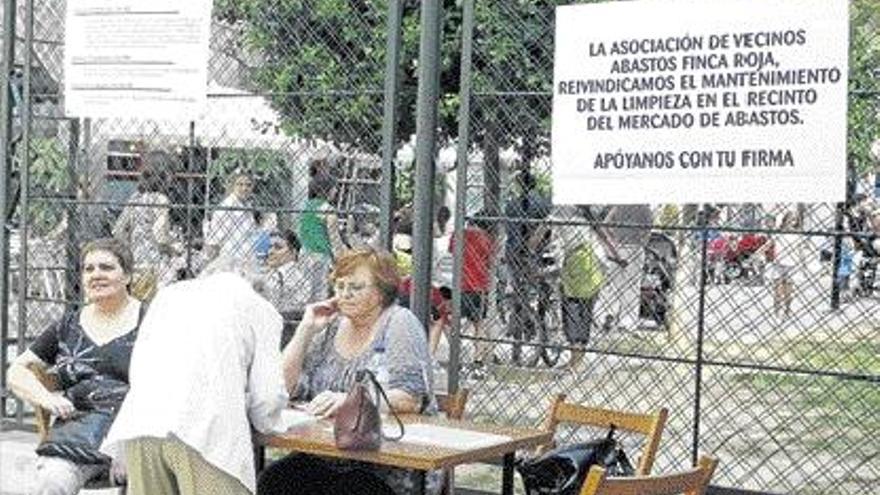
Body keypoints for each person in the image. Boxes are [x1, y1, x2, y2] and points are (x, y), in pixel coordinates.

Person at [100, 256, 289, 495]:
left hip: (142, 424)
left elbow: (139, 368)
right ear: (258, 288)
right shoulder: (259, 307)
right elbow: (268, 398)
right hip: (206, 436)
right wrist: (266, 421)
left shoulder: (168, 296)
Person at [260, 247, 437, 495]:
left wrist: (351, 402)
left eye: (356, 287)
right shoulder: (331, 327)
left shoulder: (399, 322)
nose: (345, 294)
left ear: (381, 291)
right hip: (327, 456)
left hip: (385, 465)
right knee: (275, 480)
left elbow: (411, 398)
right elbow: (283, 388)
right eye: (340, 286)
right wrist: (306, 329)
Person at [6, 238, 143, 494]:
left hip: (137, 433)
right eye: (88, 269)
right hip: (78, 434)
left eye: (106, 267)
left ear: (127, 276)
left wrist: (129, 439)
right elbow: (17, 371)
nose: (96, 275)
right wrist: (46, 398)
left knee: (146, 480)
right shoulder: (67, 325)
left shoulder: (151, 320)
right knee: (53, 481)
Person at [112, 151, 178, 301]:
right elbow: (160, 236)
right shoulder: (161, 200)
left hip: (136, 263)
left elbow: (118, 230)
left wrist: (130, 249)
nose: (173, 178)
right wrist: (173, 249)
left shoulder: (136, 197)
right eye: (171, 173)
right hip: (156, 267)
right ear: (164, 173)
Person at [503, 170, 551, 349]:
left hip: (513, 252)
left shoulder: (510, 205)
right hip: (535, 253)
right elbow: (547, 229)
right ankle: (539, 320)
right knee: (542, 287)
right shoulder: (543, 204)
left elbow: (509, 229)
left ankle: (518, 323)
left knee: (517, 289)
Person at [555, 205, 607, 346]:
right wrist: (617, 257)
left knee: (572, 315)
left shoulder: (559, 213)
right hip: (592, 266)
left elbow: (539, 239)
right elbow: (605, 238)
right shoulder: (588, 217)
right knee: (585, 316)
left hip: (576, 266)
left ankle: (574, 359)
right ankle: (577, 361)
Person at [450, 212, 495, 370]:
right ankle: (478, 361)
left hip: (461, 285)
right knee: (478, 325)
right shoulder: (487, 238)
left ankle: (456, 358)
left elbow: (453, 254)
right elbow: (490, 261)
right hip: (480, 286)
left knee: (454, 324)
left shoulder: (458, 234)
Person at [598, 203, 653, 330]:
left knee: (613, 284)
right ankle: (627, 320)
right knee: (632, 286)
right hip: (635, 247)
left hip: (619, 247)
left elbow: (605, 224)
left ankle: (608, 313)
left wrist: (613, 239)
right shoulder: (645, 208)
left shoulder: (619, 206)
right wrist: (643, 241)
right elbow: (649, 229)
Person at [298, 161, 343, 300]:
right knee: (320, 296)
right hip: (321, 256)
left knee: (305, 293)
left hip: (304, 253)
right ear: (327, 189)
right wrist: (341, 259)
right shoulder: (328, 210)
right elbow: (334, 238)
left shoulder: (306, 206)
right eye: (335, 188)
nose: (336, 191)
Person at [264, 228, 311, 342]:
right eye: (270, 247)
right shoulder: (302, 278)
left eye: (278, 247)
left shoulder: (277, 276)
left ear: (293, 252)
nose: (270, 251)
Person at [205, 170, 258, 260]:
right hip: (229, 259)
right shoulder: (226, 207)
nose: (244, 188)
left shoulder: (247, 206)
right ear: (232, 186)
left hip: (246, 258)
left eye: (248, 185)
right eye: (240, 184)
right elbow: (214, 242)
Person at [771, 212, 802, 319]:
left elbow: (800, 250)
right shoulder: (779, 233)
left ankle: (787, 311)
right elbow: (770, 244)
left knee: (788, 291)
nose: (792, 222)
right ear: (785, 220)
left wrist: (803, 265)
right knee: (777, 291)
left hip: (791, 264)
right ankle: (776, 312)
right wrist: (757, 254)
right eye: (790, 219)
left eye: (794, 220)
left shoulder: (797, 235)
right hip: (778, 263)